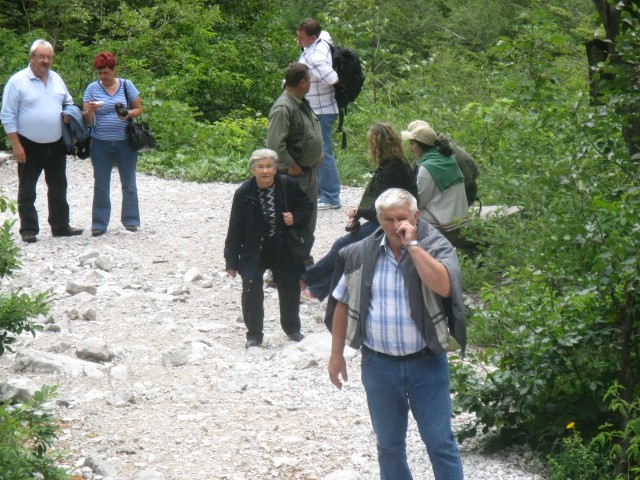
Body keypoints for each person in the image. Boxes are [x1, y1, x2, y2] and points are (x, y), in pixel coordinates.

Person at [327, 188, 466, 480]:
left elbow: (444, 286)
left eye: (401, 218)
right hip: (379, 364)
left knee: (439, 442)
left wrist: (413, 246)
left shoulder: (434, 244)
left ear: (415, 217)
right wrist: (336, 354)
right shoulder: (361, 252)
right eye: (387, 219)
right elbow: (342, 302)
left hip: (426, 362)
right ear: (378, 219)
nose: (395, 225)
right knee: (388, 446)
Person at [300, 123, 417, 302]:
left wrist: (359, 211)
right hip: (386, 219)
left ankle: (305, 280)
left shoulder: (392, 170)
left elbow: (384, 209)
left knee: (343, 245)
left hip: (391, 222)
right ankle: (316, 288)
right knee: (348, 250)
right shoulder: (394, 165)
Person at [224, 149, 313, 348]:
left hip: (283, 244)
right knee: (251, 287)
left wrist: (294, 218)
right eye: (260, 167)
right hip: (254, 247)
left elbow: (306, 206)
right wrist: (231, 260)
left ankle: (292, 329)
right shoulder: (244, 192)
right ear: (253, 170)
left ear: (275, 168)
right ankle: (254, 334)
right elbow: (235, 228)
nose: (265, 171)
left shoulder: (286, 184)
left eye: (269, 166)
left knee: (289, 285)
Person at [0, 39, 84, 243]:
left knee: (58, 186)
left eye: (49, 57)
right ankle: (28, 230)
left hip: (55, 143)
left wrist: (68, 114)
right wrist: (16, 145)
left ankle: (60, 226)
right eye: (42, 56)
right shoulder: (18, 81)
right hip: (28, 144)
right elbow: (7, 115)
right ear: (32, 57)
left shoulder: (56, 79)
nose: (46, 61)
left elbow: (69, 102)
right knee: (27, 188)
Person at [82, 51, 144, 237]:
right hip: (100, 142)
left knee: (129, 181)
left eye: (106, 72)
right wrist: (91, 110)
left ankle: (131, 220)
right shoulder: (92, 88)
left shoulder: (126, 85)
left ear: (114, 70)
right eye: (99, 73)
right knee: (101, 183)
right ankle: (99, 224)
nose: (102, 76)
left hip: (125, 141)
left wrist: (128, 114)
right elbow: (85, 118)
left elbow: (139, 108)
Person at [266, 62, 323, 257]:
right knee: (293, 219)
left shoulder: (302, 102)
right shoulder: (283, 108)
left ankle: (301, 259)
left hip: (309, 173)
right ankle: (284, 266)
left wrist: (318, 152)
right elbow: (274, 144)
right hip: (295, 177)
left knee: (308, 219)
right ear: (302, 83)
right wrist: (290, 165)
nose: (311, 83)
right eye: (309, 80)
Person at [401, 121, 470, 250]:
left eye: (413, 143)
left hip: (448, 227)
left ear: (420, 145)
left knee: (405, 215)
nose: (411, 147)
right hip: (462, 221)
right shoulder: (448, 158)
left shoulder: (427, 167)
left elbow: (419, 202)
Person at [297, 18, 341, 210]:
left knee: (324, 152)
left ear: (312, 37)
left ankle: (331, 197)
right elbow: (325, 34)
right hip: (318, 109)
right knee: (317, 150)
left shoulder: (315, 57)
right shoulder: (321, 41)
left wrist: (312, 73)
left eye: (301, 37)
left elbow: (332, 78)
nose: (297, 40)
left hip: (322, 110)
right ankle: (322, 192)